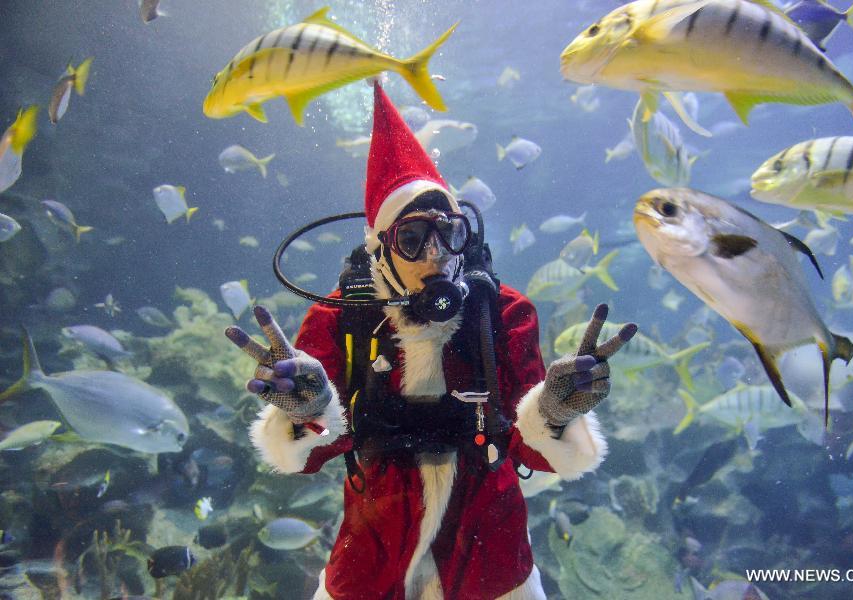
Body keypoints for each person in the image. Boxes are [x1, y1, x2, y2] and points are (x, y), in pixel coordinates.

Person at [225, 83, 636, 600]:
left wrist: (554, 412)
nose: (435, 256)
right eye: (413, 239)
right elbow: (307, 457)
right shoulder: (341, 318)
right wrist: (308, 408)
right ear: (381, 249)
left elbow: (534, 453)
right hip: (375, 558)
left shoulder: (503, 311)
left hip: (492, 558)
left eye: (450, 233)